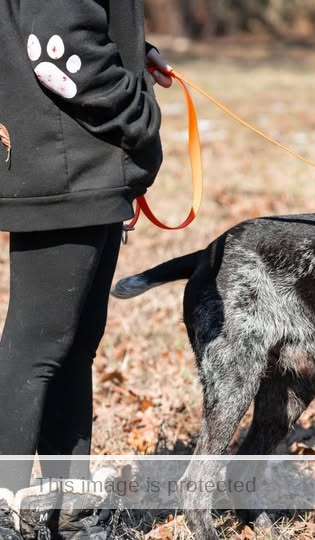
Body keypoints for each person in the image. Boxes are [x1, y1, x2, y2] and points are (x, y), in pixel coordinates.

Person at [0, 1, 171, 538]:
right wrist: (138, 118)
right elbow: (60, 44)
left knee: (73, 345)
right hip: (66, 162)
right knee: (36, 347)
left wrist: (132, 49)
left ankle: (68, 513)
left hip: (85, 161)